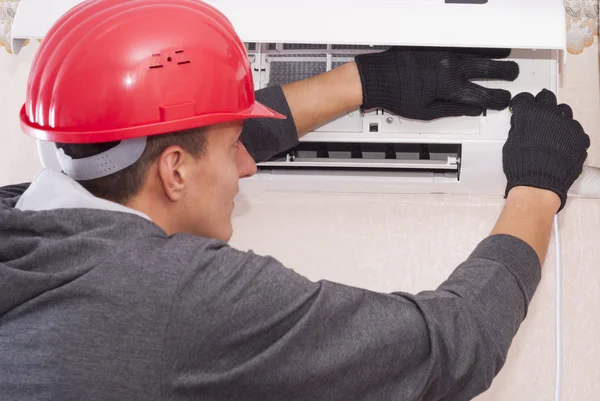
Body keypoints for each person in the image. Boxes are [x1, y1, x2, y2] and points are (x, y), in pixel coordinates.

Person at [0, 0, 590, 400]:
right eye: (232, 144)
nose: (245, 165)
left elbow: (148, 156)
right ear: (173, 172)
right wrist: (537, 188)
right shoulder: (178, 297)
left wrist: (372, 80)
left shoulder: (22, 226)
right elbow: (452, 345)